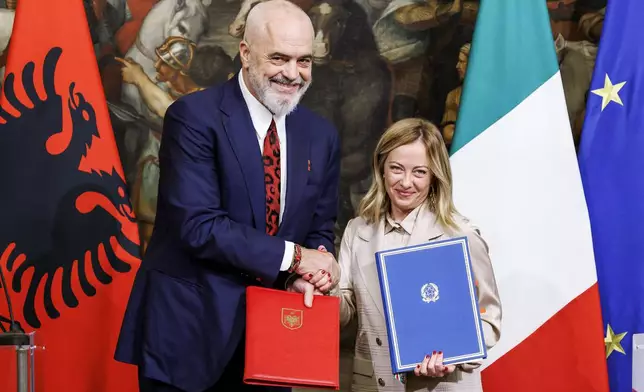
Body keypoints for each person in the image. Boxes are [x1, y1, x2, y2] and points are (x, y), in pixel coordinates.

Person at [114, 1, 342, 391]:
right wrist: (299, 258)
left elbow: (319, 224)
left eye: (304, 61)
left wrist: (312, 275)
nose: (293, 74)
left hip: (272, 342)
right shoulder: (192, 117)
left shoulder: (320, 135)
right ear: (245, 53)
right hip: (189, 334)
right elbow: (199, 226)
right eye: (279, 58)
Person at [314, 118, 501, 391]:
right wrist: (327, 285)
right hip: (373, 383)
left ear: (435, 174)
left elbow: (489, 318)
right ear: (382, 169)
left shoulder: (460, 235)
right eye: (396, 169)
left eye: (419, 172)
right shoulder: (358, 230)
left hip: (440, 384)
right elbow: (345, 313)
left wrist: (454, 355)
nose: (405, 182)